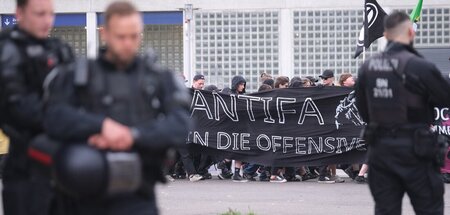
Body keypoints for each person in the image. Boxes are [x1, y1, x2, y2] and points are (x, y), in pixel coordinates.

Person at [44, 2, 190, 214]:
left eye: (134, 36)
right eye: (121, 37)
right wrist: (100, 126)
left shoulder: (157, 78)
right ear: (105, 34)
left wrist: (134, 135)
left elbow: (181, 124)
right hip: (82, 196)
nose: (128, 43)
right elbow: (53, 117)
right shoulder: (77, 76)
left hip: (137, 194)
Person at [355, 11, 450, 214]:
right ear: (411, 32)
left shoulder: (367, 67)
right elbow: (445, 98)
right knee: (429, 209)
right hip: (416, 150)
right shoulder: (421, 66)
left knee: (386, 210)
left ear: (386, 34)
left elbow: (363, 110)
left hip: (380, 150)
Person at [0, 0, 74, 214]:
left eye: (51, 14)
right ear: (19, 13)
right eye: (39, 14)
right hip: (26, 170)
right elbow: (19, 110)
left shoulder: (58, 49)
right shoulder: (8, 51)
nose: (47, 21)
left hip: (63, 168)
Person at [217, 75, 248, 182]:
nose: (242, 87)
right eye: (240, 84)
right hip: (230, 127)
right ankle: (230, 168)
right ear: (236, 84)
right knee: (236, 149)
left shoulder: (243, 96)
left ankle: (229, 167)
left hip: (241, 127)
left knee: (239, 150)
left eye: (244, 84)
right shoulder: (228, 92)